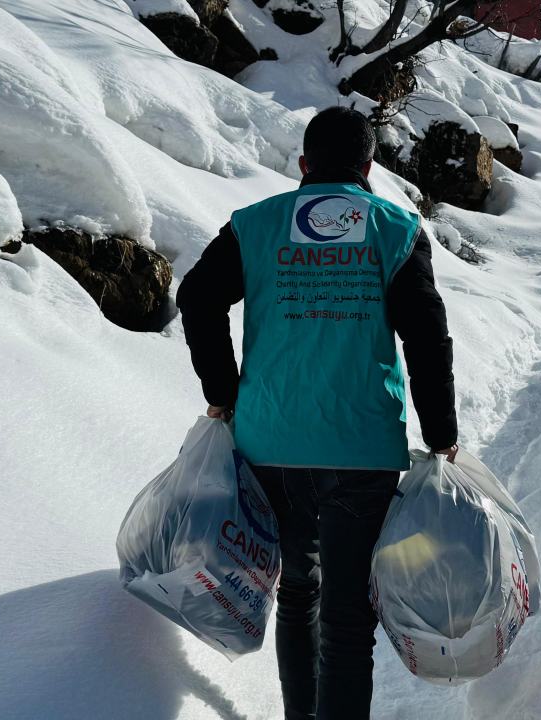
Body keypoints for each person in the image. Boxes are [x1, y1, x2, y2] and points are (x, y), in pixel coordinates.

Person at [177, 106, 458, 720]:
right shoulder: (396, 229)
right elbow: (427, 336)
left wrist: (223, 391)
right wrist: (442, 435)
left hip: (270, 447)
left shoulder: (254, 225)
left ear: (303, 166)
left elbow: (196, 294)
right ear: (369, 167)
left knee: (299, 592)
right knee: (348, 616)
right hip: (363, 453)